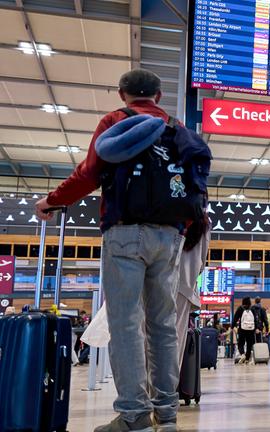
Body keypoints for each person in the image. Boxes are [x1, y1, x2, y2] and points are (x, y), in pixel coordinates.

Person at [35, 69, 208, 431]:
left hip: (125, 232)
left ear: (122, 94)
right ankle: (167, 414)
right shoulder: (176, 128)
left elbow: (88, 174)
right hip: (170, 237)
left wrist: (52, 200)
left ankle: (133, 416)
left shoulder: (115, 121)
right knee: (163, 325)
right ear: (158, 96)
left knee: (126, 323)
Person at [174, 222, 210, 368]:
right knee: (175, 341)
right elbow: (201, 262)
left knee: (145, 337)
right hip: (184, 285)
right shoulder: (201, 219)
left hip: (154, 279)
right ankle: (168, 382)